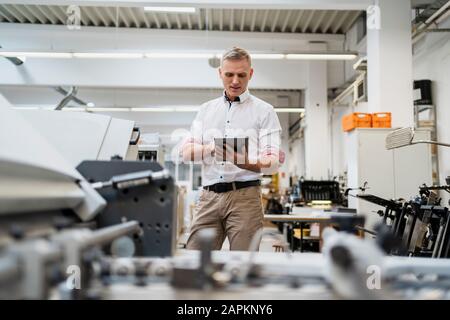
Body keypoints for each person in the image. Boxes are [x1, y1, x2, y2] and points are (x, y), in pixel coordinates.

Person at [181, 47, 284, 251]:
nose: (235, 81)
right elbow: (185, 153)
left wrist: (243, 161)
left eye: (241, 75)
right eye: (229, 74)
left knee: (243, 264)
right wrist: (212, 148)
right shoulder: (206, 110)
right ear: (220, 73)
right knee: (194, 259)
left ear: (251, 74)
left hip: (245, 198)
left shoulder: (264, 111)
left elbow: (272, 162)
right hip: (208, 197)